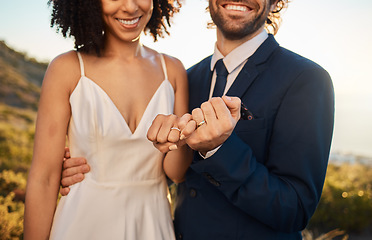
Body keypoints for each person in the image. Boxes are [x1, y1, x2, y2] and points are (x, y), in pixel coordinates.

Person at [60, 0, 335, 239]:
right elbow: (168, 171)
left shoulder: (306, 79)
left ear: (275, 2)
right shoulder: (186, 78)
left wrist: (219, 149)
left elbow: (294, 209)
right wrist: (88, 168)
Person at [23, 0, 193, 239]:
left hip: (152, 223)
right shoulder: (67, 68)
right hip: (81, 223)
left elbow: (177, 172)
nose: (130, 7)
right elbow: (44, 178)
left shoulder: (173, 71)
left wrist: (179, 138)